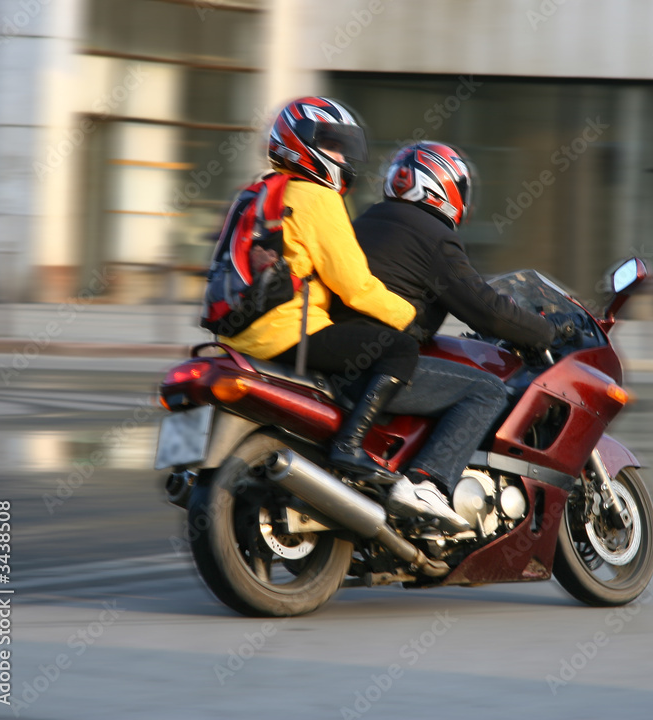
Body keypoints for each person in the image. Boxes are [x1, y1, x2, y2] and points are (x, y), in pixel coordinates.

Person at [334, 141, 574, 531]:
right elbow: (486, 308)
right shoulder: (432, 236)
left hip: (338, 352)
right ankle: (427, 483)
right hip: (378, 363)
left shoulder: (366, 222)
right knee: (486, 391)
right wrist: (547, 331)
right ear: (442, 188)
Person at [219, 96, 420, 483]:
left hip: (240, 336)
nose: (342, 157)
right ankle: (349, 445)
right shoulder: (317, 196)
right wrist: (407, 317)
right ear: (301, 143)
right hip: (289, 334)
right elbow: (355, 287)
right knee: (399, 348)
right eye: (332, 144)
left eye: (343, 146)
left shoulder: (259, 191)